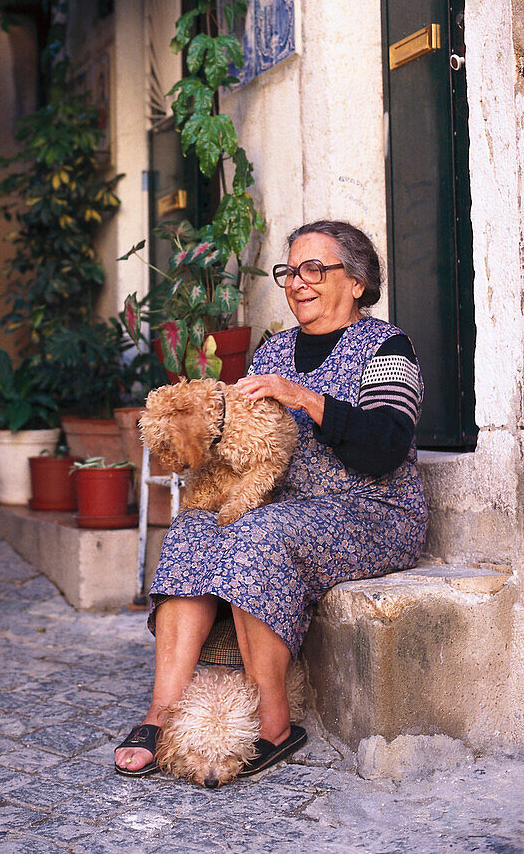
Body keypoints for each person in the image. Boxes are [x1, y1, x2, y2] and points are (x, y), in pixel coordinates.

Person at [115, 220, 428, 779]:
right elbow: (244, 447)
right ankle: (162, 711)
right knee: (193, 526)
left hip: (371, 511)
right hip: (286, 505)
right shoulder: (273, 351)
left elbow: (384, 449)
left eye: (315, 269)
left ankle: (273, 724)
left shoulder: (386, 349)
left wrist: (304, 397)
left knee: (257, 534)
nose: (297, 282)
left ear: (357, 283)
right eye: (290, 271)